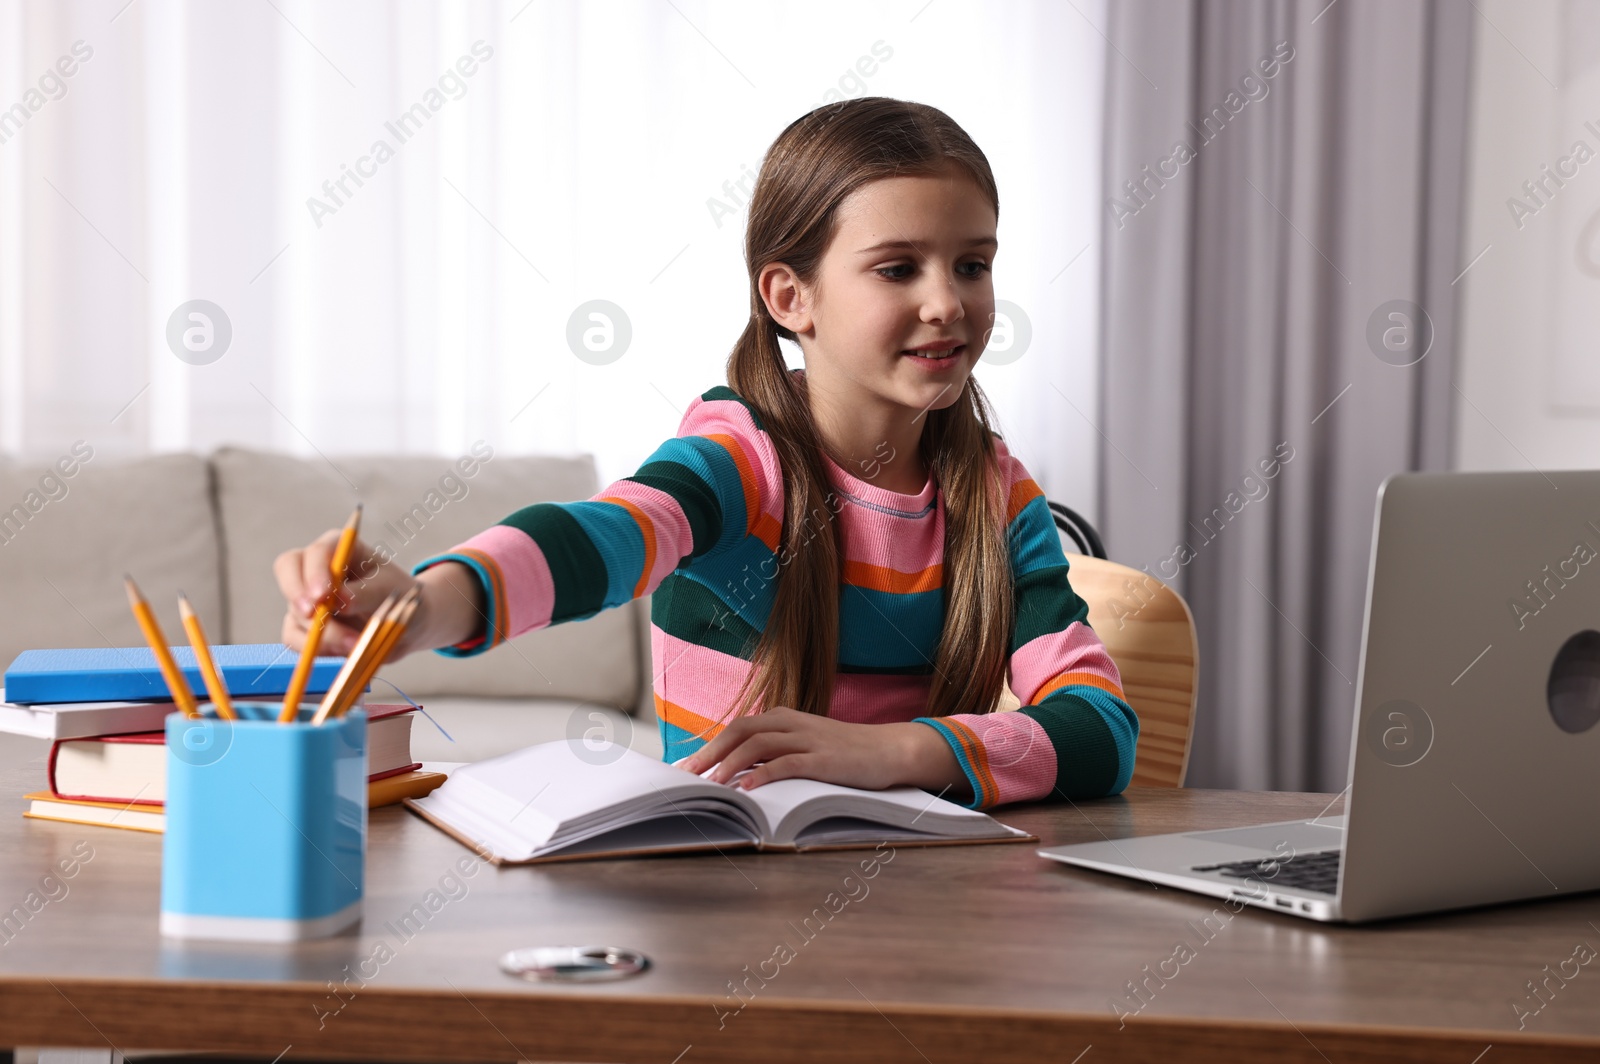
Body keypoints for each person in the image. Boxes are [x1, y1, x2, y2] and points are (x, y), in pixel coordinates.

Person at [275, 96, 1138, 811]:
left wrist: (894, 751)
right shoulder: (739, 459)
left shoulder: (998, 495)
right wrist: (426, 607)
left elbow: (1102, 728)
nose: (947, 302)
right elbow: (600, 538)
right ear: (790, 296)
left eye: (973, 265)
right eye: (898, 268)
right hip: (726, 892)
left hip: (927, 895)